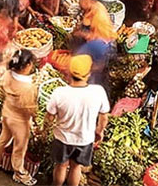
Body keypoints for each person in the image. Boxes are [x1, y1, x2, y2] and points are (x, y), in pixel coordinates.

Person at [44, 55, 110, 186]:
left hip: (62, 138)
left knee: (61, 166)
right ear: (88, 74)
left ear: (69, 72)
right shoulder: (98, 92)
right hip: (84, 140)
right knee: (76, 167)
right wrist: (99, 131)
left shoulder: (59, 93)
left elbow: (49, 117)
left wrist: (44, 130)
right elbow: (104, 117)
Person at [0, 49, 38, 186]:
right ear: (27, 66)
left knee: (4, 137)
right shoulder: (28, 88)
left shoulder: (7, 74)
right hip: (20, 121)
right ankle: (19, 172)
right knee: (19, 147)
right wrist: (35, 119)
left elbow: (0, 86)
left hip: (7, 113)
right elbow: (30, 108)